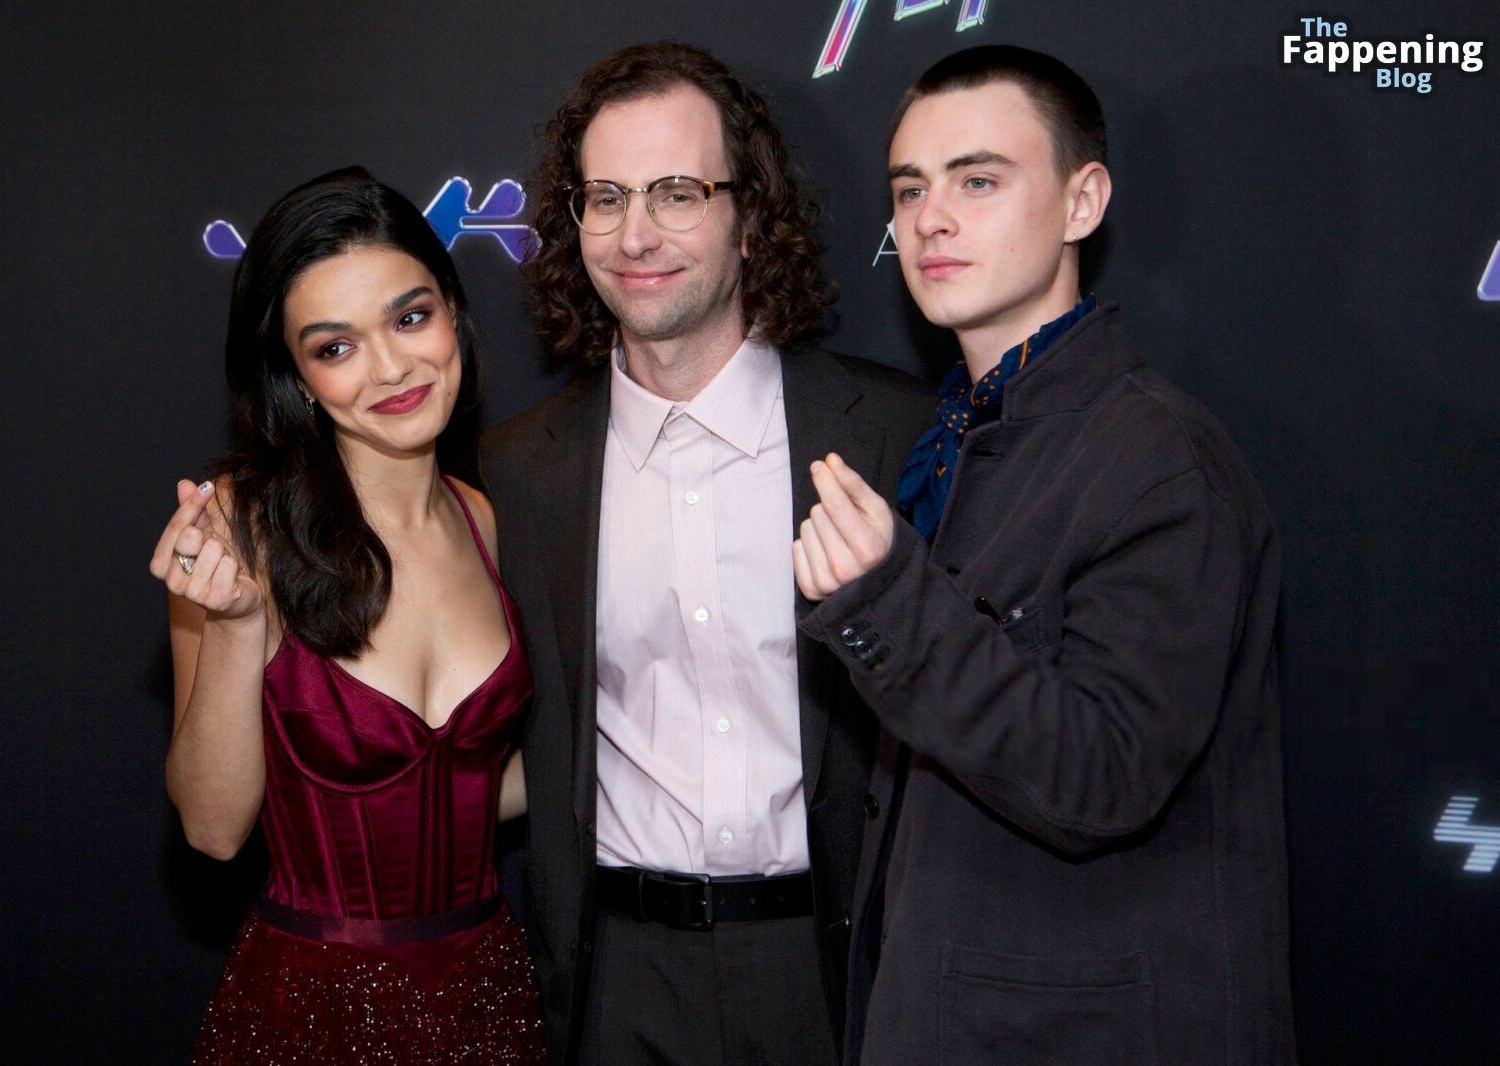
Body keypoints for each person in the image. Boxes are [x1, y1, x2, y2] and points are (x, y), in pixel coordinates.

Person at [792, 46, 1295, 1064]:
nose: (931, 219)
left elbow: (1103, 776)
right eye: (909, 189)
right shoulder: (955, 438)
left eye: (977, 181)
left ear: (1082, 201)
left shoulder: (1158, 459)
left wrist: (886, 601)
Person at [480, 42, 934, 1065]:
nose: (635, 234)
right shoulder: (517, 473)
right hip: (616, 978)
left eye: (678, 193)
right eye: (605, 198)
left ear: (750, 215)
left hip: (836, 968)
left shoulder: (893, 434)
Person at [148, 167, 544, 1062]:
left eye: (410, 318)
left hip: (487, 999)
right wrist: (239, 626)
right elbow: (213, 830)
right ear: (295, 375)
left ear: (453, 313)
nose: (392, 368)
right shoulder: (240, 527)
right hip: (308, 1013)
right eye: (336, 347)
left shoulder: (487, 521)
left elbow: (472, 780)